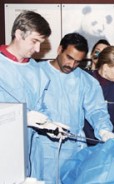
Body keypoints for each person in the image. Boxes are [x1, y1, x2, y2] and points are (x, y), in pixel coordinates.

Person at [0, 11, 70, 181]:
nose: (38, 49)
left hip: (26, 151)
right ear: (18, 33)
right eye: (34, 41)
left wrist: (48, 124)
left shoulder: (36, 70)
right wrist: (20, 117)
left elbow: (40, 106)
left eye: (41, 43)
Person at [37, 33, 114, 183]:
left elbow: (96, 110)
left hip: (73, 149)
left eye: (77, 62)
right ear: (59, 49)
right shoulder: (37, 73)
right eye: (69, 58)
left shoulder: (85, 80)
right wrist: (45, 124)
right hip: (43, 150)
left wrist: (104, 130)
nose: (71, 65)